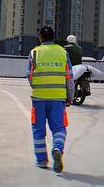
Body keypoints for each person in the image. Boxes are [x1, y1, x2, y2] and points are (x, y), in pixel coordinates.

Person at [26, 26, 75, 173]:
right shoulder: (63, 53)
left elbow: (29, 75)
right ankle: (57, 148)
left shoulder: (34, 52)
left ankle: (41, 161)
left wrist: (37, 86)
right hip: (58, 98)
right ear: (53, 37)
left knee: (38, 130)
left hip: (38, 98)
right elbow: (69, 77)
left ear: (41, 37)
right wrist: (70, 97)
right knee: (59, 128)